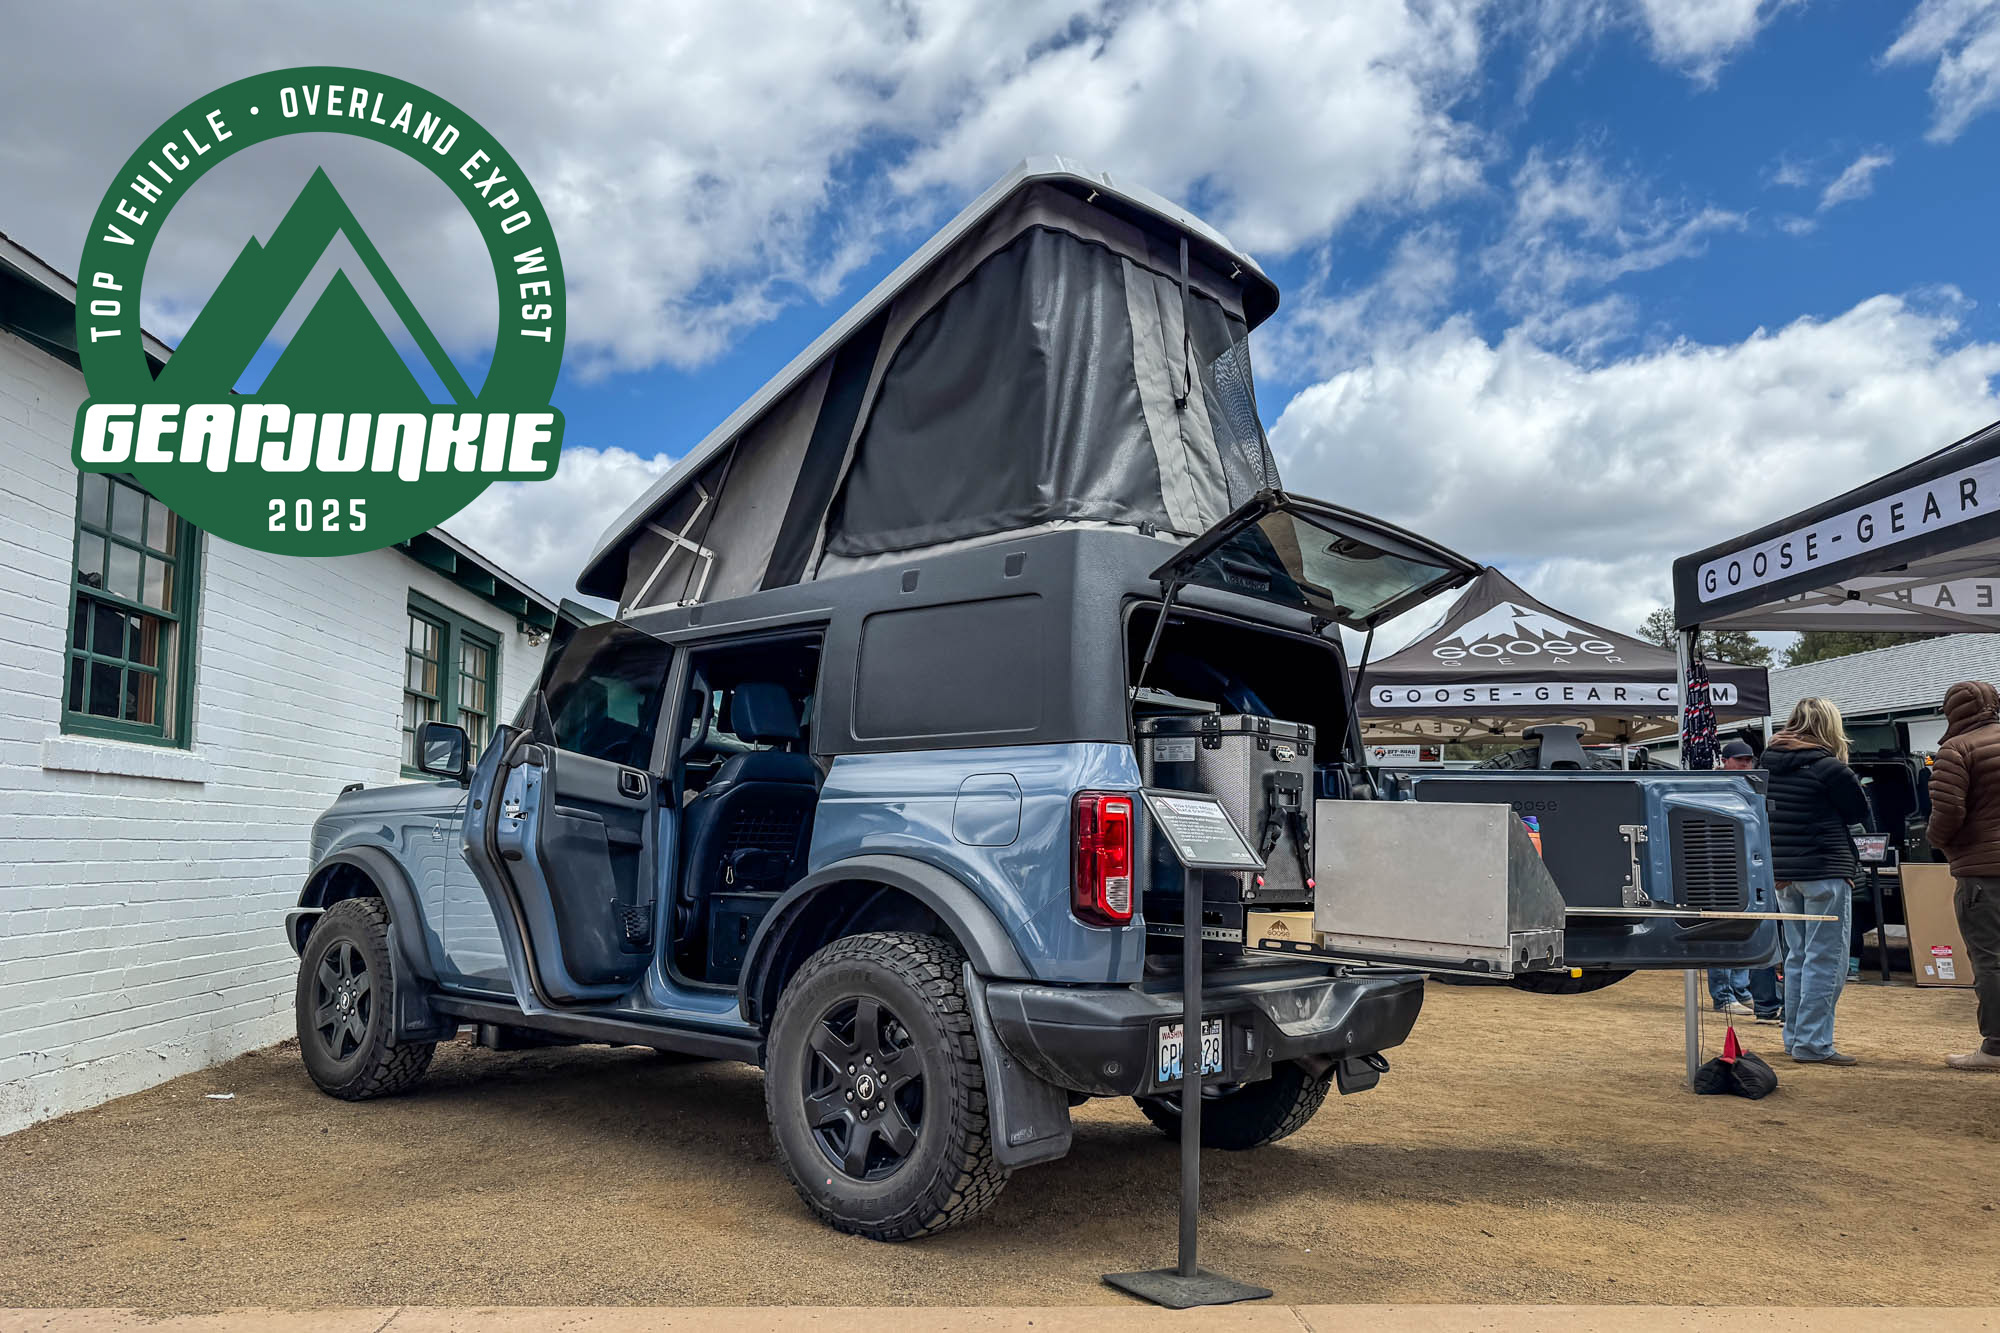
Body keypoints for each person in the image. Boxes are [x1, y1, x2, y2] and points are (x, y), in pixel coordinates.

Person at [1759, 698, 1870, 1065]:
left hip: (1783, 875)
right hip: (1825, 868)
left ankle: (1795, 1038)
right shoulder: (1831, 768)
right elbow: (1858, 813)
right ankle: (1814, 1043)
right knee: (1827, 959)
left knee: (1797, 957)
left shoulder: (1767, 762)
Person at [1923, 681, 2000, 1072]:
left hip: (1983, 872)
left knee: (1991, 959)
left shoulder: (1956, 750)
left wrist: (1936, 842)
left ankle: (1996, 1047)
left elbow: (1947, 814)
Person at [1707, 739, 1783, 1021]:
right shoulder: (1715, 787)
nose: (1746, 764)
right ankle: (1724, 995)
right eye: (1740, 759)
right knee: (1722, 932)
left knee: (1745, 928)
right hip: (1718, 869)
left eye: (1749, 759)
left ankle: (1740, 990)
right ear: (1726, 761)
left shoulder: (1749, 787)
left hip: (1745, 867)